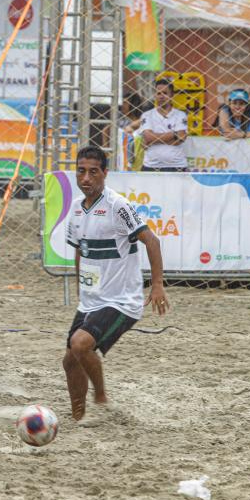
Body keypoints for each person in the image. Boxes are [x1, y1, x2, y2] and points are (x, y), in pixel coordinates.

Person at [63, 146, 169, 420]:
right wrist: (80, 290)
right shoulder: (75, 209)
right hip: (91, 300)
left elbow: (152, 241)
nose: (86, 178)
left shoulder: (117, 206)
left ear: (105, 173)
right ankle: (78, 416)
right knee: (69, 360)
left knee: (80, 345)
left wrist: (157, 284)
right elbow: (80, 250)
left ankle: (100, 394)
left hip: (122, 301)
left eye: (93, 172)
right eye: (81, 171)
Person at [137, 79, 188, 171]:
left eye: (165, 93)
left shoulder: (180, 115)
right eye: (158, 93)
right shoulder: (147, 115)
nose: (161, 96)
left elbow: (181, 137)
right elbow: (148, 137)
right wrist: (173, 134)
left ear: (171, 95)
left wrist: (153, 141)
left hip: (176, 166)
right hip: (151, 166)